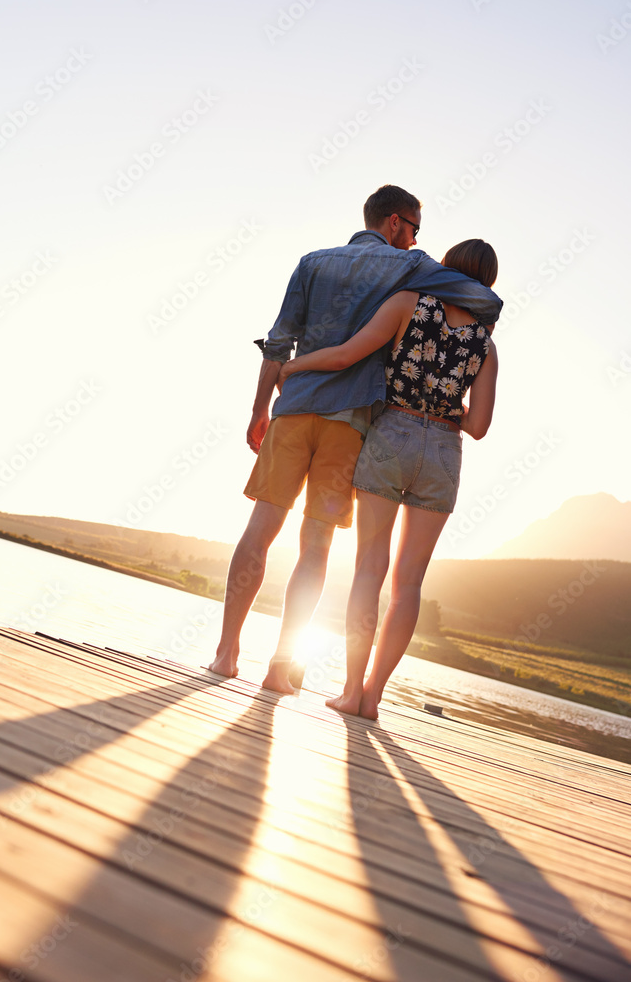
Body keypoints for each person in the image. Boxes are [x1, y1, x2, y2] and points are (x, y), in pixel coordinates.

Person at [207, 185, 503, 694]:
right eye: (413, 230)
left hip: (295, 405)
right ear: (394, 223)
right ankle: (285, 665)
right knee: (317, 545)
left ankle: (226, 653)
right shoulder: (411, 270)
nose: (414, 242)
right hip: (351, 423)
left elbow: (279, 340)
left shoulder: (313, 262)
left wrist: (261, 406)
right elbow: (483, 299)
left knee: (260, 531)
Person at [277, 239, 499, 717]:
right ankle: (374, 697)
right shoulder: (486, 343)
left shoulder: (407, 304)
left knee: (368, 569)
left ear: (446, 267)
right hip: (443, 452)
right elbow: (478, 427)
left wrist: (295, 365)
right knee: (409, 585)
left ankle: (351, 689)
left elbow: (344, 356)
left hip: (391, 434)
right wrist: (442, 408)